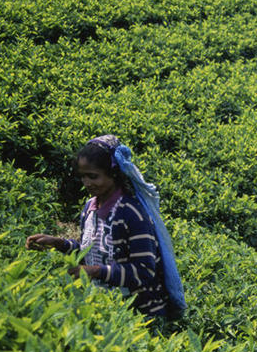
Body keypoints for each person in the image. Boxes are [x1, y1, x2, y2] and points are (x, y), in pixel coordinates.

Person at [26, 135, 186, 319]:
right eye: (83, 177)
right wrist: (58, 243)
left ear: (113, 173)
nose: (87, 183)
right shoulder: (90, 207)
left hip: (140, 314)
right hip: (105, 307)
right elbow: (91, 253)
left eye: (93, 176)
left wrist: (95, 272)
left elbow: (143, 271)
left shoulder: (131, 213)